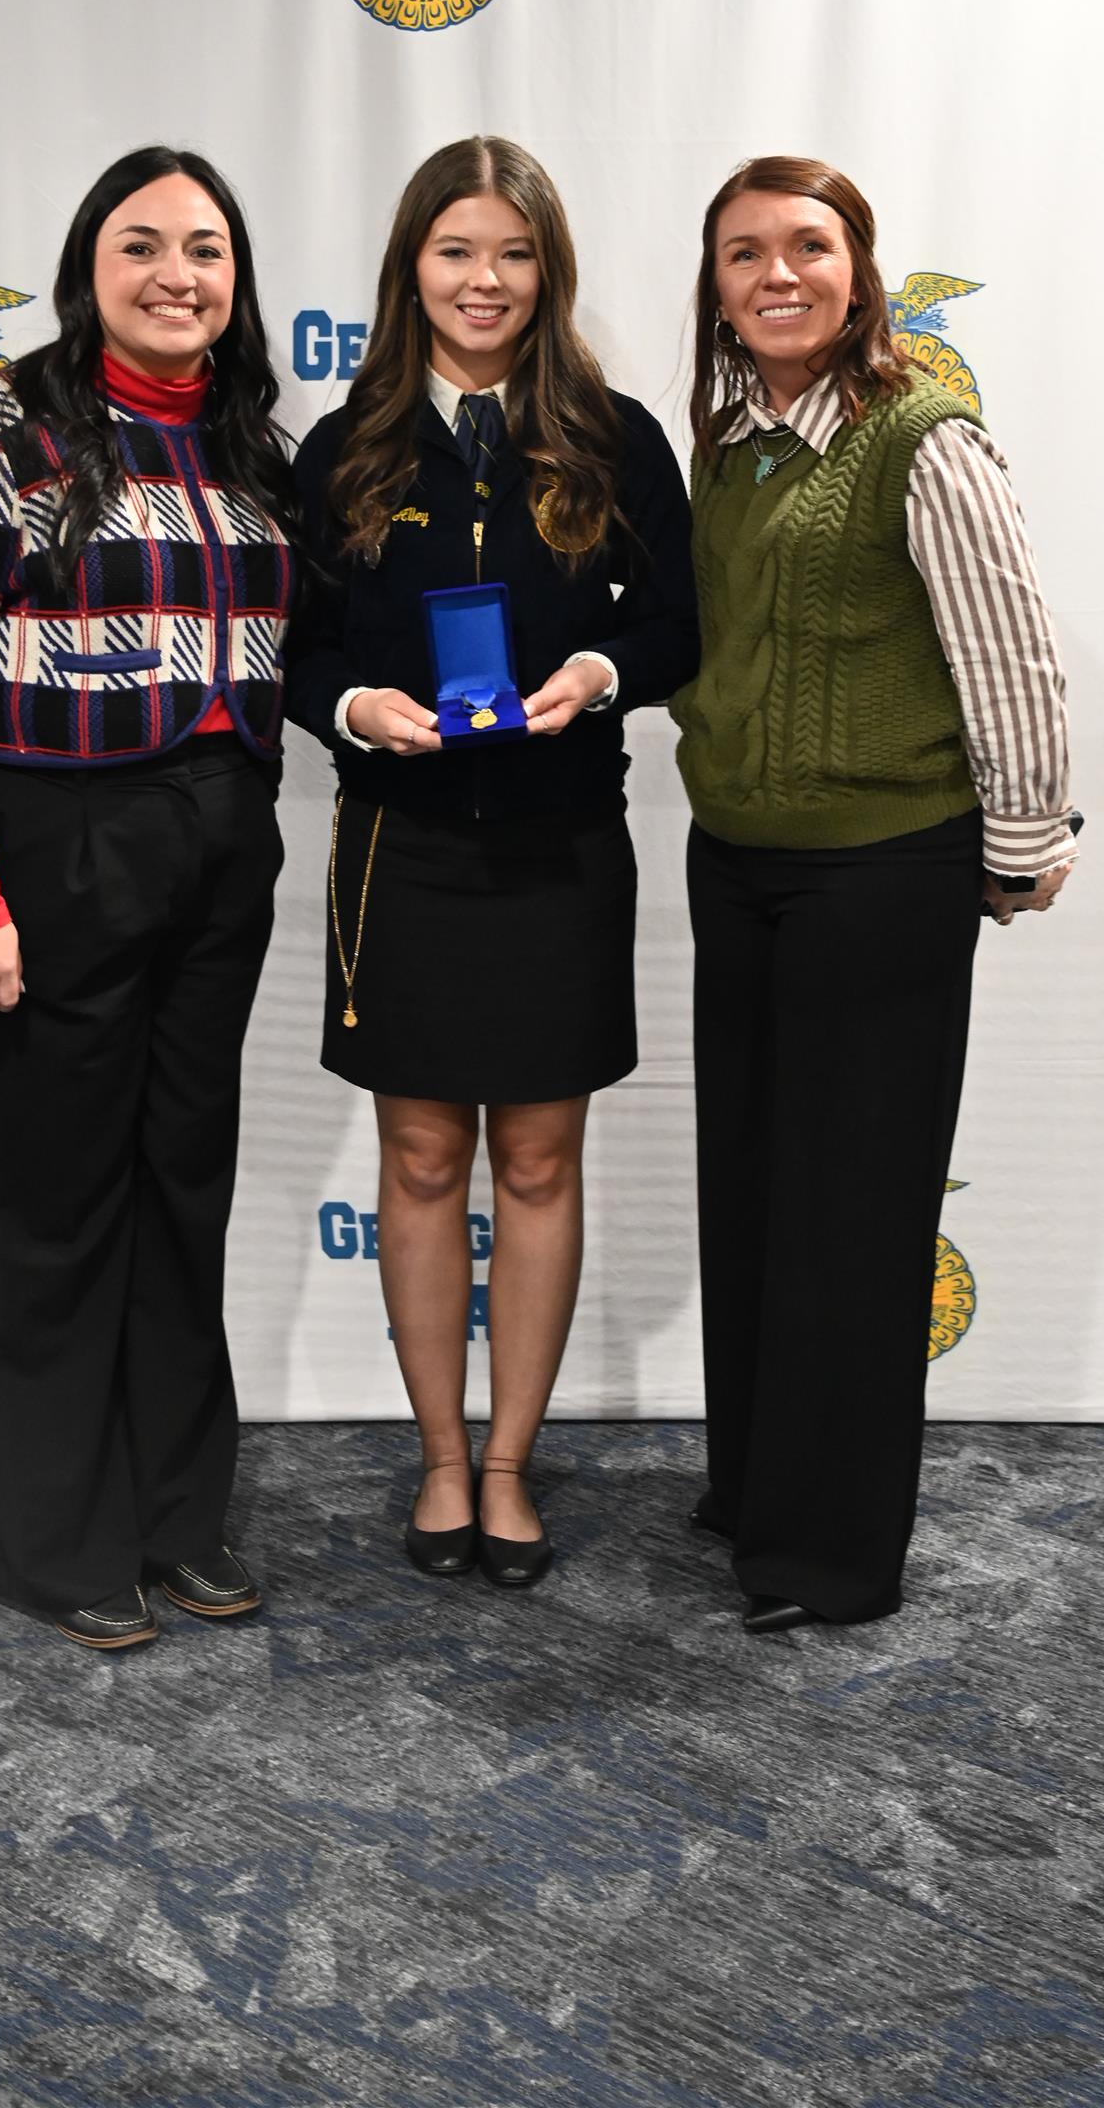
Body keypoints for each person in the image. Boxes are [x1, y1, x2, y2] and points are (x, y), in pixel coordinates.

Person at [0, 146, 295, 1651]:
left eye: (207, 249)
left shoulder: (249, 445)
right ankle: (55, 1543)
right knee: (42, 1208)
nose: (179, 274)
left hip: (218, 848)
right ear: (87, 269)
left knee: (178, 1193)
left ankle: (175, 1518)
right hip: (51, 846)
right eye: (142, 245)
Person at [671, 156, 1075, 1635]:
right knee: (755, 1190)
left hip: (883, 870)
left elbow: (1008, 653)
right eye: (744, 253)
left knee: (849, 1211)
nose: (777, 274)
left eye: (808, 246)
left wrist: (1022, 842)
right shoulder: (729, 449)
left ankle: (829, 1552)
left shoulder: (923, 437)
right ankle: (756, 1488)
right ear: (716, 288)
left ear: (859, 272)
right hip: (740, 862)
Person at [287, 136, 698, 1588]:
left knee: (536, 1155)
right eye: (457, 250)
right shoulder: (346, 447)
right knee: (417, 1157)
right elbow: (295, 650)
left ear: (549, 271)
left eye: (514, 254)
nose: (485, 280)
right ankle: (441, 1461)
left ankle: (511, 1463)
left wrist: (600, 671)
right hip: (400, 853)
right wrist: (354, 706)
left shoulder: (614, 436)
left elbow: (677, 628)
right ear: (412, 267)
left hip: (559, 845)